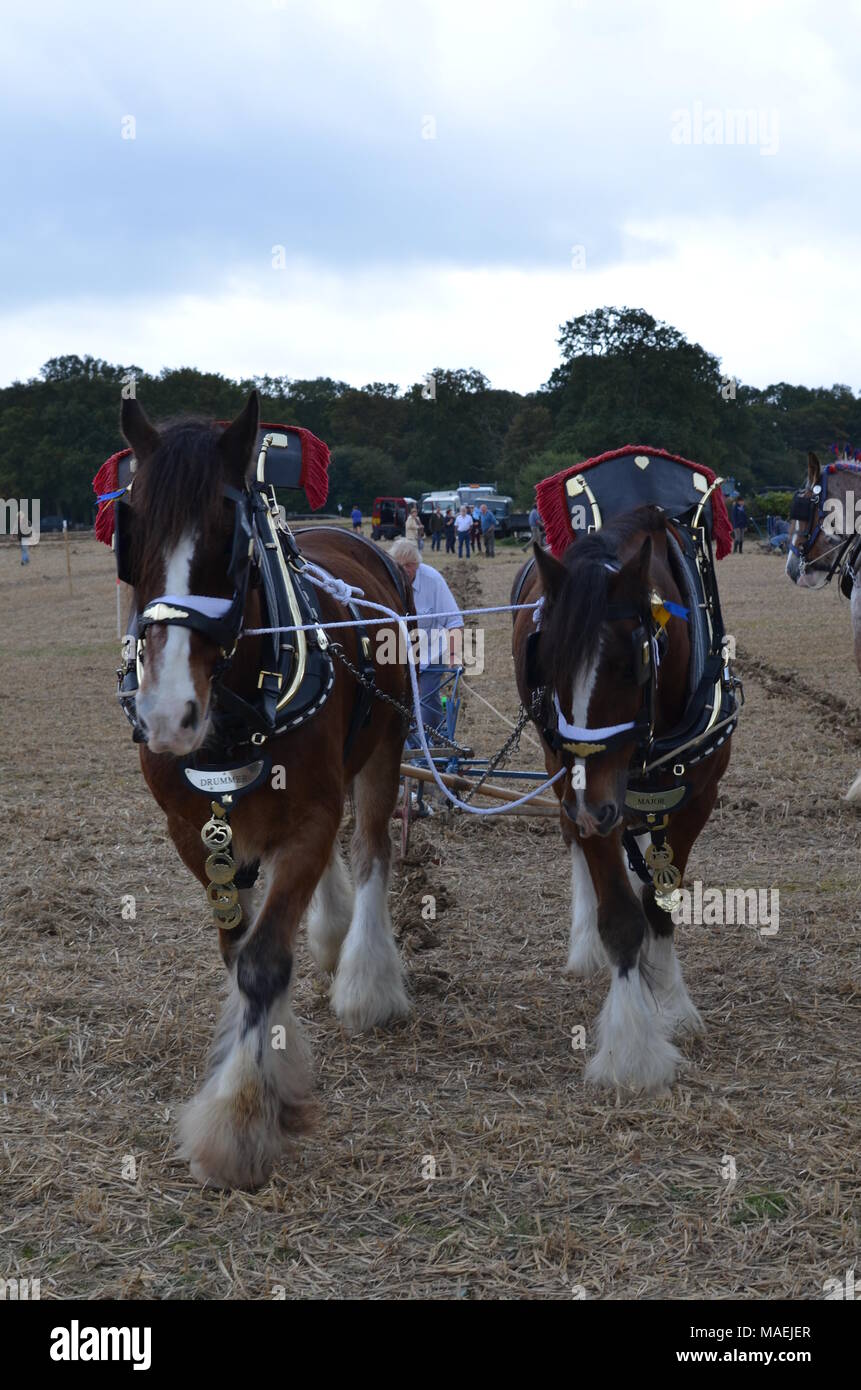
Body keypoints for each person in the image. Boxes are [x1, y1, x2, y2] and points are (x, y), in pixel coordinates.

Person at [391, 537, 464, 814]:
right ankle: (407, 758)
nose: (403, 574)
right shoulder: (389, 579)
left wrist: (455, 657)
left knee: (425, 708)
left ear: (414, 566)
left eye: (407, 569)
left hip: (431, 658)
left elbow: (454, 621)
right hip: (397, 659)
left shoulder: (432, 580)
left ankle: (426, 758)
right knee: (399, 709)